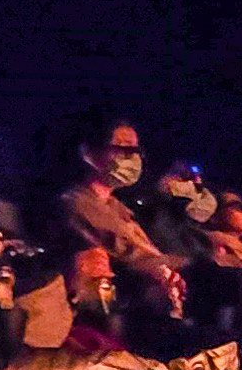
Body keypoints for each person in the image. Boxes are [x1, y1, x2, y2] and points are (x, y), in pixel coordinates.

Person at [52, 108, 188, 317]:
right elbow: (127, 253)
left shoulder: (117, 206)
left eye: (135, 150)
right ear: (90, 154)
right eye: (122, 148)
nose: (132, 157)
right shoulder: (77, 201)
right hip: (129, 289)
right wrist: (174, 266)